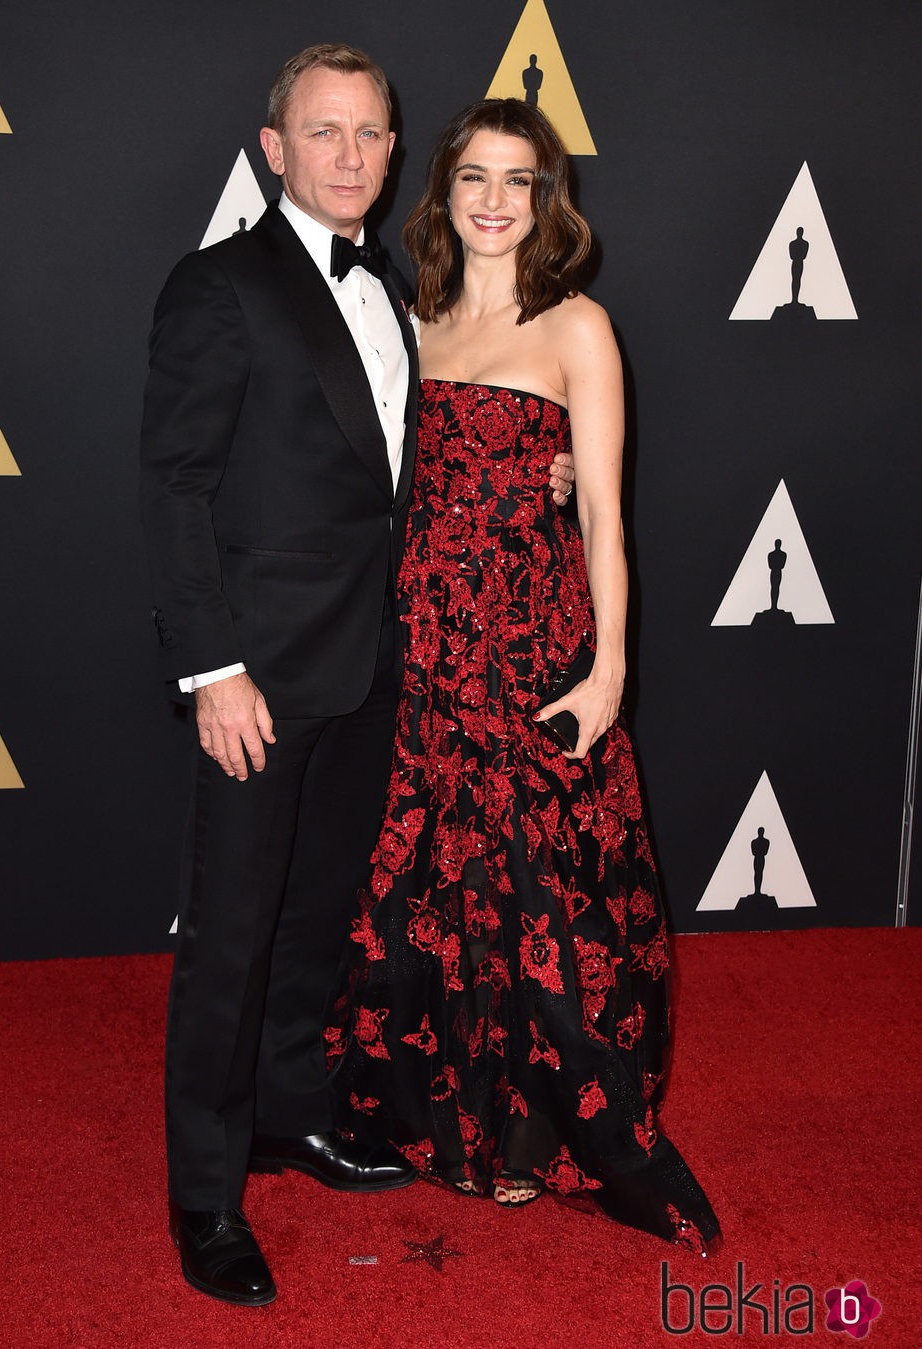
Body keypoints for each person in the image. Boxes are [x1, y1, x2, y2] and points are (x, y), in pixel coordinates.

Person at [140, 48, 573, 1307]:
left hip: (376, 665)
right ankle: (206, 1194)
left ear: (394, 155)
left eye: (369, 134)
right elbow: (172, 491)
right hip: (258, 679)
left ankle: (288, 1114)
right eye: (320, 133)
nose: (346, 155)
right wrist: (213, 668)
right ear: (273, 149)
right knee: (229, 934)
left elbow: (424, 460)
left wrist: (540, 469)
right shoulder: (218, 286)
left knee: (316, 914)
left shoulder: (391, 289)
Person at [327, 98, 721, 1256]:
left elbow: (602, 513)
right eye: (474, 179)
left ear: (548, 203)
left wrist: (608, 670)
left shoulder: (576, 328)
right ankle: (434, 1121)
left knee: (541, 892)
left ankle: (533, 1135)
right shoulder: (409, 321)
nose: (495, 201)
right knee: (426, 886)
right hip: (419, 647)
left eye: (520, 181)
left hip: (531, 643)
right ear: (440, 194)